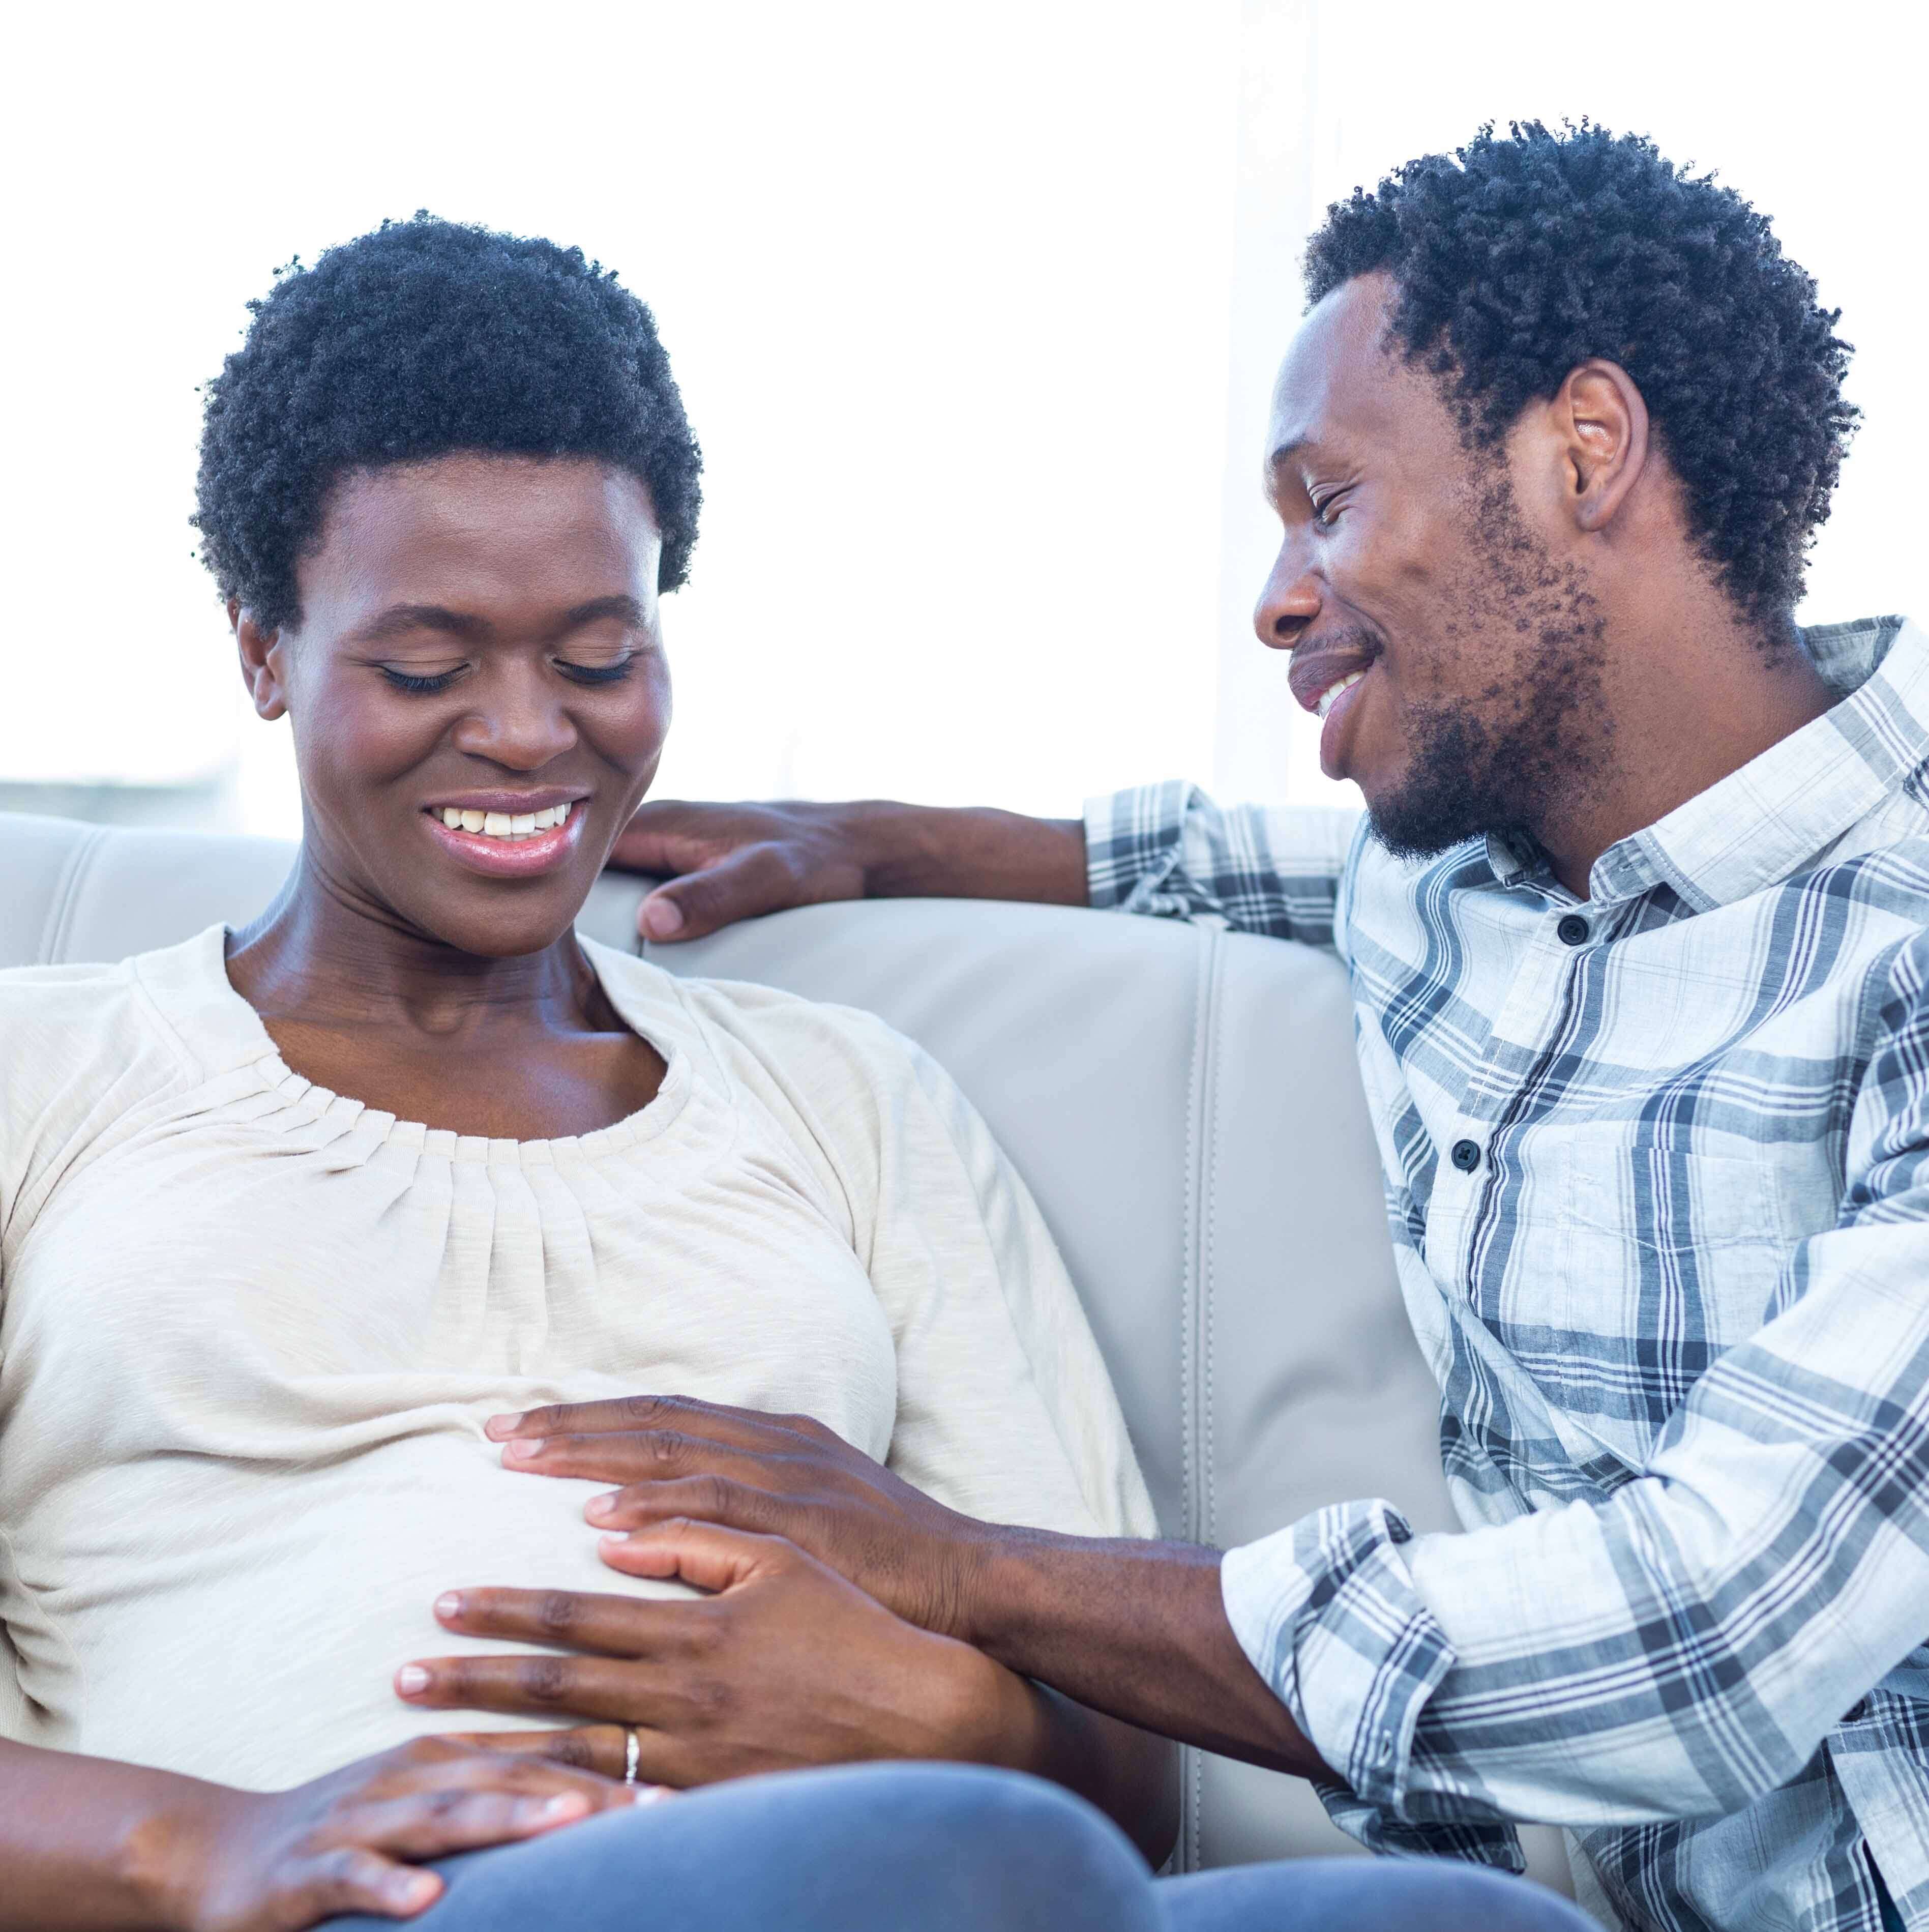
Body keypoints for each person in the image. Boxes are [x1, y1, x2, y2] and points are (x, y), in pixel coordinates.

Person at [552, 123, 1929, 1932]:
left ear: (1580, 448)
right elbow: (1196, 862)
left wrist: (957, 1569)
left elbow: (1709, 1635)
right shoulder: (1464, 881)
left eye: (1328, 500)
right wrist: (873, 843)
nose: (1278, 597)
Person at [0, 215, 1209, 1932]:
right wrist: (204, 1843)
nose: (523, 732)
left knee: (1449, 1928)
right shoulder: (41, 1078)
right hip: (384, 1906)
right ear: (263, 651)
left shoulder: (846, 1100)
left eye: (596, 657)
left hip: (891, 1879)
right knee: (975, 1859)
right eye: (424, 665)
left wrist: (946, 1713)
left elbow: (1125, 1769)